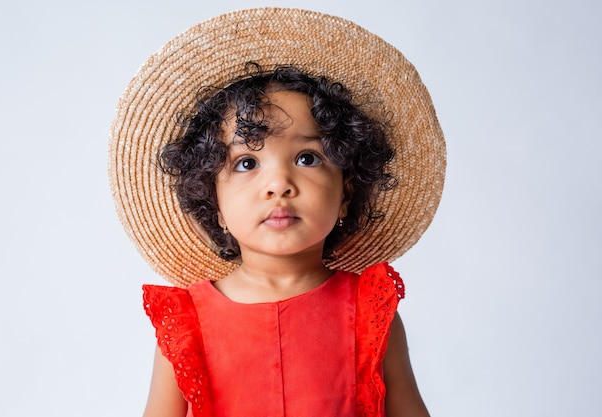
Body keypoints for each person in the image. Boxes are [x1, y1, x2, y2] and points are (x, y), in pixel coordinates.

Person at [109, 7, 446, 417]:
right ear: (214, 203)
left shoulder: (371, 314)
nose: (279, 184)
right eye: (247, 164)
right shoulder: (186, 324)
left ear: (346, 192)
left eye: (307, 158)